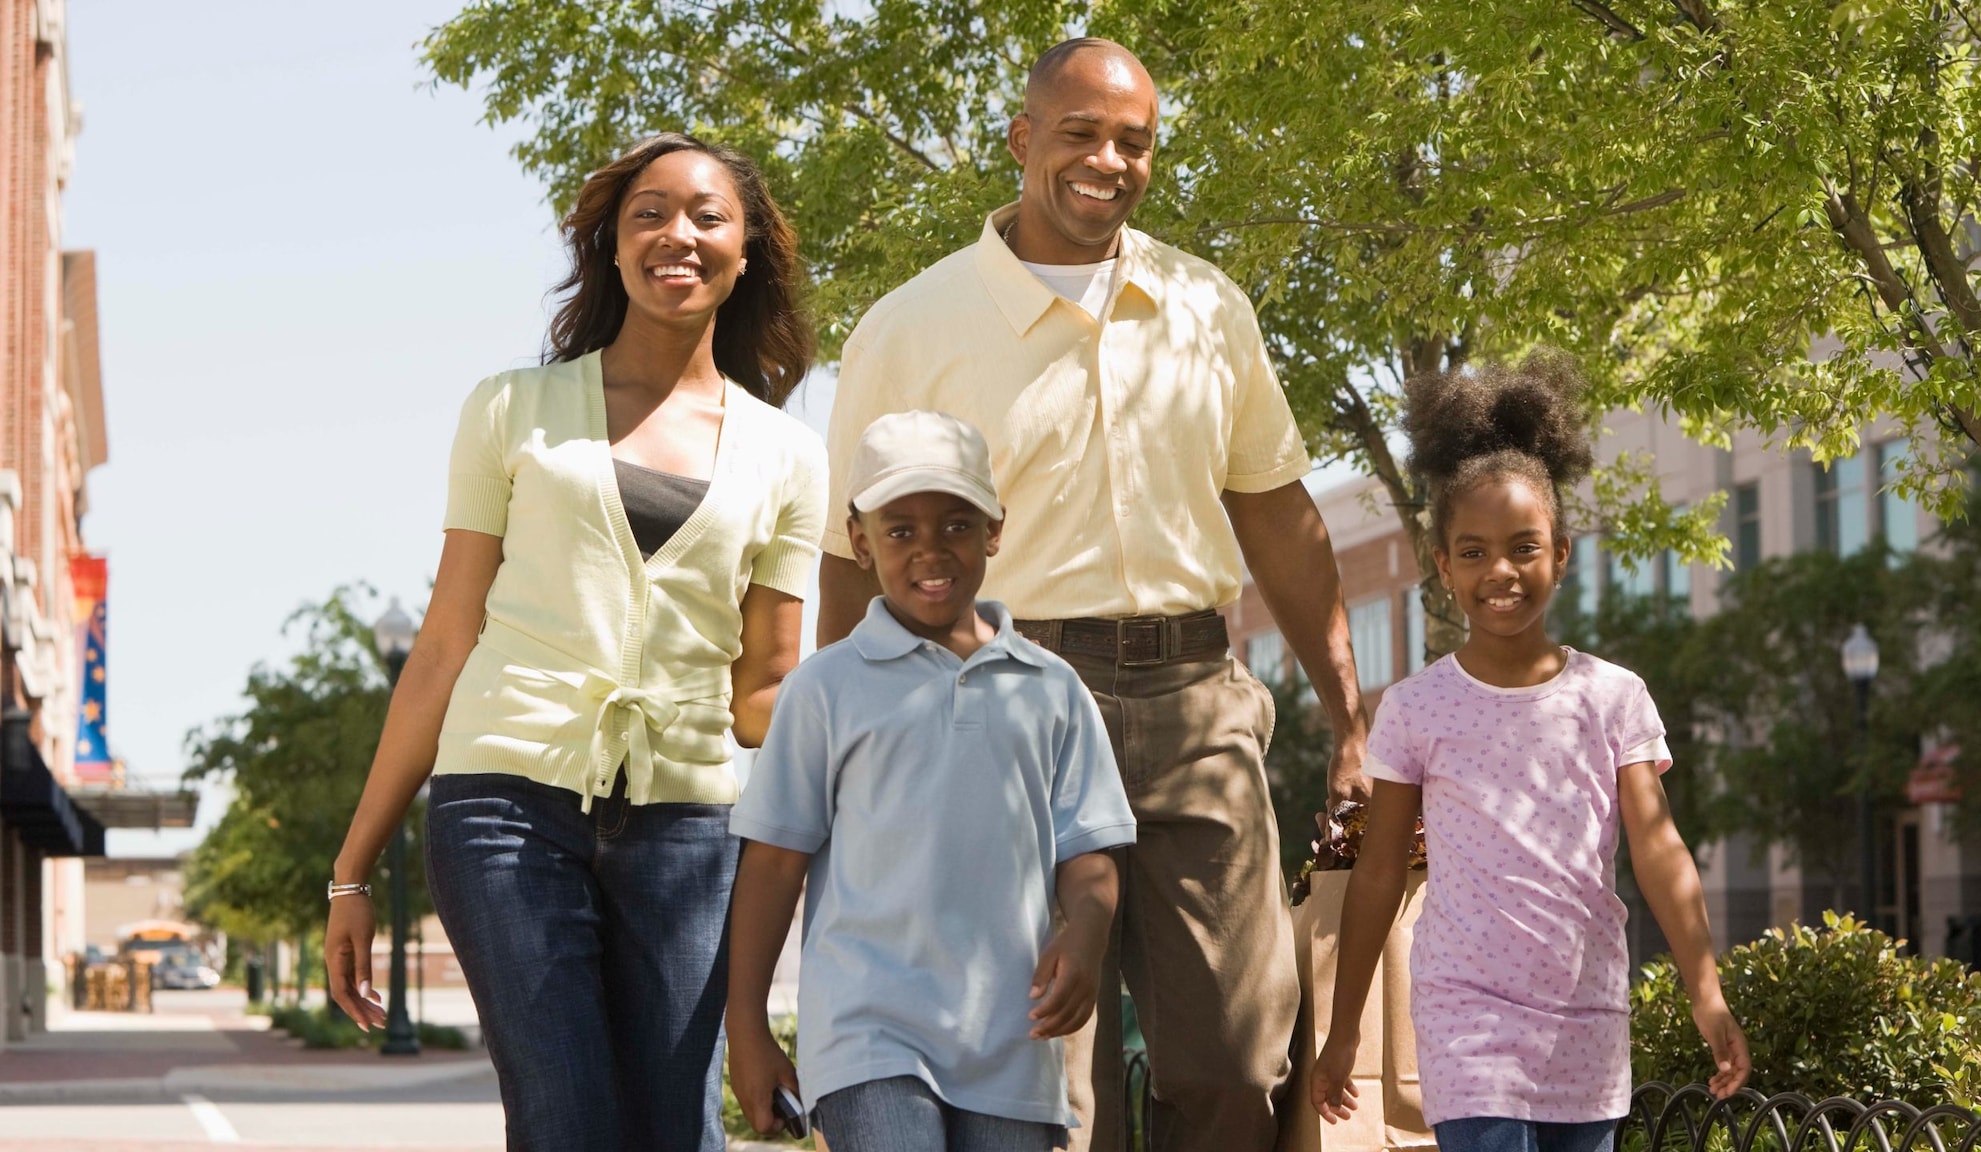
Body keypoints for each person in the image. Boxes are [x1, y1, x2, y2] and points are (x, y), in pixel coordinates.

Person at [817, 38, 1369, 1150]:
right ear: (1022, 141)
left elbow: (1276, 513)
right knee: (1041, 1075)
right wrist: (845, 747)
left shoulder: (1208, 308)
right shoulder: (908, 328)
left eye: (1133, 141)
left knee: (1232, 1058)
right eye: (1079, 133)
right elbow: (849, 552)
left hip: (1193, 698)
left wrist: (1351, 719)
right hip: (994, 703)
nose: (1106, 160)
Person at [323, 133, 827, 1152]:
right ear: (608, 242)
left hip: (689, 820)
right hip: (503, 800)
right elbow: (444, 641)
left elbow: (763, 691)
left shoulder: (788, 453)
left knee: (676, 1129)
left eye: (705, 216)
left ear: (746, 252)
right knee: (566, 1119)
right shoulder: (512, 410)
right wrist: (352, 869)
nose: (674, 235)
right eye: (647, 213)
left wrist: (884, 721)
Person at [1309, 353, 1752, 1152]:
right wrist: (1344, 1032)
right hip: (1464, 1018)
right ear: (1442, 567)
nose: (1500, 572)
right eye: (1473, 552)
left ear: (1562, 552)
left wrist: (1706, 991)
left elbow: (1658, 849)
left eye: (1522, 547)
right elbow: (1378, 873)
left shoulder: (1614, 698)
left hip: (1587, 1016)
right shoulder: (1414, 708)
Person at [726, 410, 1136, 1152]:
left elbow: (1090, 856)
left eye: (956, 524)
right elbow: (773, 864)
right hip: (866, 1034)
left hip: (1014, 1038)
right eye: (900, 530)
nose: (930, 550)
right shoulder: (825, 690)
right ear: (859, 540)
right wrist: (746, 1027)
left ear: (995, 530)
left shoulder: (1053, 689)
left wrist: (1088, 934)